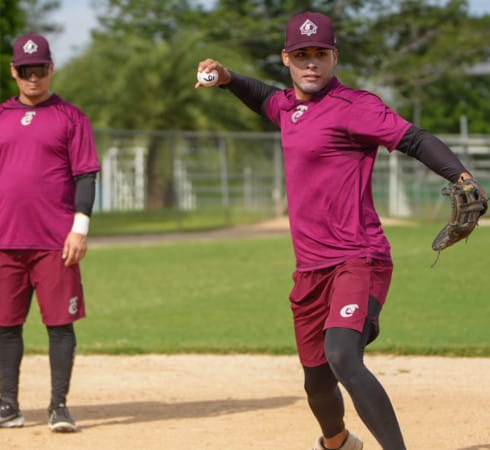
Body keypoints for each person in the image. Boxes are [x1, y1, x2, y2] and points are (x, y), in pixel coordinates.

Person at [196, 11, 486, 450]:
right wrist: (226, 76)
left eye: (320, 54)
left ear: (334, 57)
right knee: (316, 382)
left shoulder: (357, 106)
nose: (310, 63)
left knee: (342, 357)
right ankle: (339, 443)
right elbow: (263, 97)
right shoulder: (287, 109)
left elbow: (414, 138)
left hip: (359, 256)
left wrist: (462, 177)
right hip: (310, 270)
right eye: (301, 55)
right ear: (286, 58)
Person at [0, 33, 101, 433]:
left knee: (60, 324)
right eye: (25, 70)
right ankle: (8, 406)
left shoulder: (71, 117)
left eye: (39, 69)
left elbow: (86, 174)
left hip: (56, 243)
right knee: (6, 324)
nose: (33, 77)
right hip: (5, 240)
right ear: (14, 72)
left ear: (50, 68)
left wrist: (80, 228)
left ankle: (58, 405)